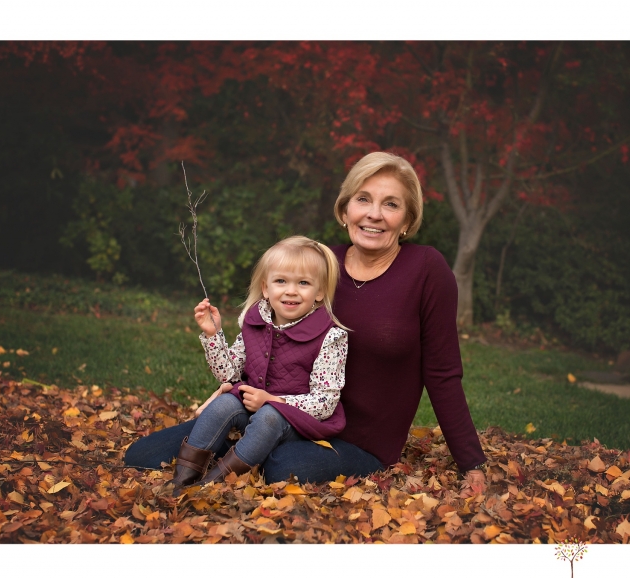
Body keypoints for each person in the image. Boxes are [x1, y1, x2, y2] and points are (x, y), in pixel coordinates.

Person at [124, 152, 487, 492]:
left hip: (356, 438)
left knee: (280, 468)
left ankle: (232, 460)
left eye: (390, 204)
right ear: (345, 210)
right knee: (141, 457)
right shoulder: (320, 267)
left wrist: (471, 463)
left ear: (407, 220)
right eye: (363, 199)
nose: (373, 214)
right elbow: (271, 337)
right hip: (272, 411)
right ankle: (225, 453)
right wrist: (233, 385)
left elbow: (442, 373)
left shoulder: (426, 269)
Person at [166, 236, 349, 490]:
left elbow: (325, 402)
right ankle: (182, 479)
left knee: (269, 417)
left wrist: (271, 400)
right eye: (281, 281)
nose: (291, 290)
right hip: (254, 407)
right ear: (266, 288)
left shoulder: (330, 336)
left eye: (304, 283)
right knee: (224, 403)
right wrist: (213, 335)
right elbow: (229, 376)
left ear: (319, 292)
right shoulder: (256, 321)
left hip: (298, 422)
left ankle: (214, 485)